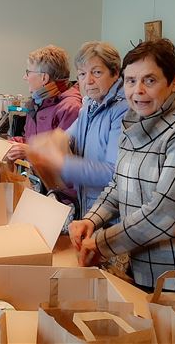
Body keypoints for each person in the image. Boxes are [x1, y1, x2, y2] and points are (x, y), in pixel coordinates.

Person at [69, 38, 175, 291]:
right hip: (140, 268)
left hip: (171, 278)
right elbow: (118, 185)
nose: (137, 90)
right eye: (131, 81)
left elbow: (165, 212)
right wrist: (91, 220)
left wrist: (101, 243)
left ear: (174, 82)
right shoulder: (133, 123)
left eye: (149, 80)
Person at [29, 41, 128, 220]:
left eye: (97, 72)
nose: (88, 81)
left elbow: (113, 173)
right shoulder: (89, 104)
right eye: (82, 74)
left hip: (110, 215)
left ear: (115, 73)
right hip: (88, 207)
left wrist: (61, 163)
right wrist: (44, 144)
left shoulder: (123, 110)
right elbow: (65, 136)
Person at [7, 45, 82, 161]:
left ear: (44, 78)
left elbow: (65, 157)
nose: (24, 77)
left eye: (28, 72)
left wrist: (29, 151)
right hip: (36, 177)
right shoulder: (37, 103)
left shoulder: (70, 107)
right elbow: (33, 141)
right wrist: (15, 144)